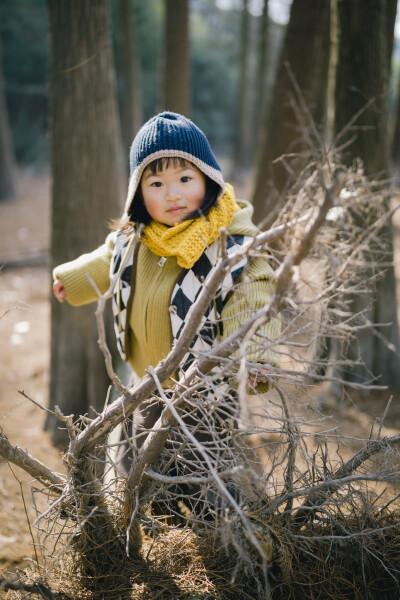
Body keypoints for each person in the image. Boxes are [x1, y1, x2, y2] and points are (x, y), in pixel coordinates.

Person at [53, 111, 280, 519]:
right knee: (140, 470)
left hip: (204, 396)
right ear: (138, 194)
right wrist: (73, 280)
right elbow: (107, 260)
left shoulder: (228, 244)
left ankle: (221, 534)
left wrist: (258, 355)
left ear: (208, 179)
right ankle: (156, 528)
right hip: (146, 386)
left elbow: (253, 295)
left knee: (206, 477)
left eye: (184, 180)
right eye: (156, 184)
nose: (172, 194)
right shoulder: (135, 238)